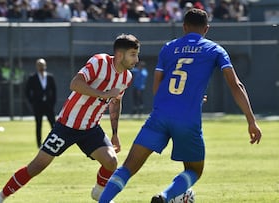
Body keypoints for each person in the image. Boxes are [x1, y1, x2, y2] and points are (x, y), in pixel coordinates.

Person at [99, 8, 262, 203]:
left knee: (127, 167)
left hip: (159, 116)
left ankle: (103, 201)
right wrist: (251, 121)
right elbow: (236, 85)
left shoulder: (169, 47)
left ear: (184, 27)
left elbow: (157, 86)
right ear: (206, 29)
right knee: (194, 170)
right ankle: (164, 197)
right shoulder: (214, 49)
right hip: (187, 119)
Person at [0, 33, 140, 203]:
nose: (136, 59)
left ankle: (98, 192)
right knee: (37, 166)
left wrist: (114, 132)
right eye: (133, 54)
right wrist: (103, 94)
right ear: (120, 55)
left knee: (111, 161)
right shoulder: (99, 62)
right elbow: (75, 84)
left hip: (91, 128)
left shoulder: (126, 77)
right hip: (67, 125)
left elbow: (115, 102)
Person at [25, 58, 57, 148]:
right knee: (38, 125)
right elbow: (27, 91)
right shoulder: (32, 77)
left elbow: (54, 91)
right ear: (36, 66)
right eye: (39, 65)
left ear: (45, 66)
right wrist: (32, 101)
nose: (41, 67)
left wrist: (52, 102)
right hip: (38, 105)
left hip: (48, 105)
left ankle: (54, 142)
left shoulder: (50, 77)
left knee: (53, 125)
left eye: (42, 65)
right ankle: (39, 144)